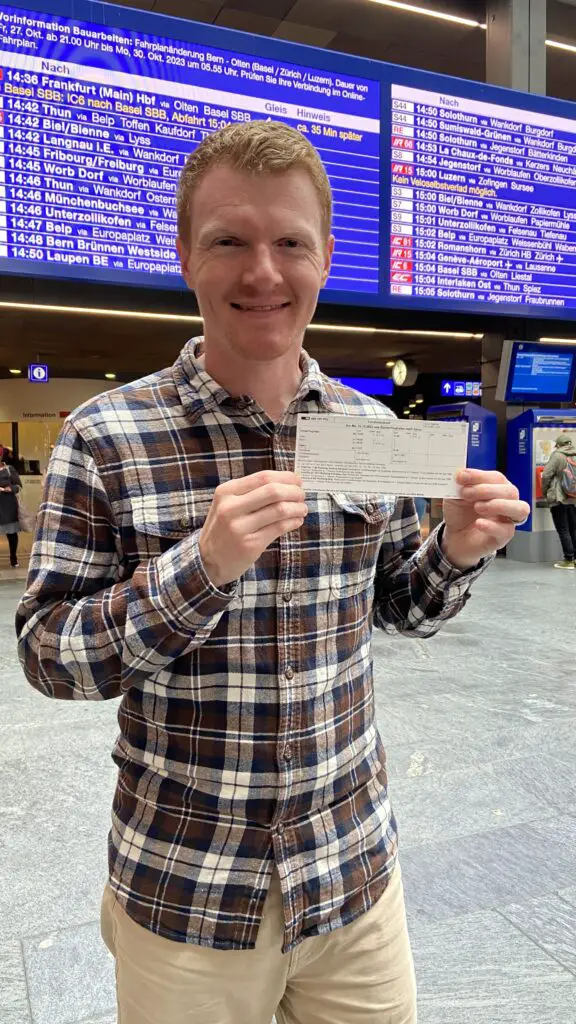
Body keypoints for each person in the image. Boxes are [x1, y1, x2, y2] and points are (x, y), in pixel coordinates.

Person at [16, 121, 529, 1024]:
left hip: (354, 877)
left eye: (291, 242)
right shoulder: (107, 437)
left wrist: (452, 550)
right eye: (229, 241)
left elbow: (395, 606)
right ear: (185, 256)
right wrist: (200, 569)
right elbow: (51, 657)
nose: (263, 273)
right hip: (188, 895)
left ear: (324, 259)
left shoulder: (370, 434)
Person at [541, 432, 576, 569]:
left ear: (559, 445)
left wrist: (546, 492)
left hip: (559, 497)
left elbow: (546, 475)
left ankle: (568, 560)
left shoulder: (557, 455)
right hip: (573, 498)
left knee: (563, 529)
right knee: (573, 528)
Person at [0, 444, 22, 567]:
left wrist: (10, 488)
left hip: (8, 504)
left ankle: (13, 557)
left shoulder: (9, 469)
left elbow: (18, 487)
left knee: (12, 533)